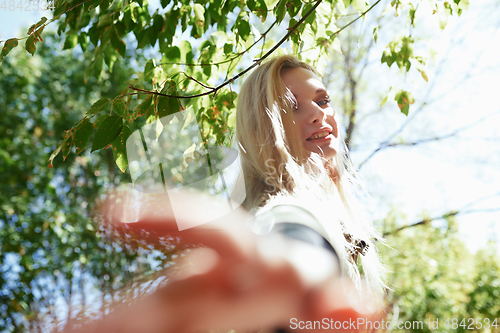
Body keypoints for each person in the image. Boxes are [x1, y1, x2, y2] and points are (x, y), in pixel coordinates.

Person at [62, 55, 384, 333]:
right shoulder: (287, 208)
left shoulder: (340, 219)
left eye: (323, 100)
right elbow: (295, 244)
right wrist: (292, 268)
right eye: (291, 106)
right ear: (265, 129)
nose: (317, 113)